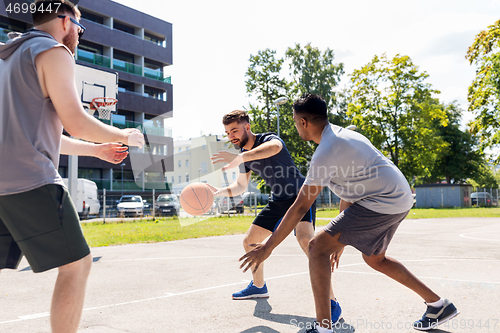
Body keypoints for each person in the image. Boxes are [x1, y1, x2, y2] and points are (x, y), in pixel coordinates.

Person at [239, 94, 459, 332]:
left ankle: (324, 327)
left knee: (316, 247)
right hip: (397, 197)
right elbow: (348, 191)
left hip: (382, 201)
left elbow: (301, 205)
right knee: (375, 258)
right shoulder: (341, 136)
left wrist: (268, 247)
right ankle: (438, 305)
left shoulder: (326, 151)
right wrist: (340, 238)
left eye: (294, 121)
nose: (295, 126)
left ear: (303, 122)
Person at [0, 1, 144, 333]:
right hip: (30, 181)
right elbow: (76, 122)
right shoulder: (53, 51)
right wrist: (124, 133)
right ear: (65, 22)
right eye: (79, 27)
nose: (79, 35)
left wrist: (97, 151)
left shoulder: (7, 58)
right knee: (76, 265)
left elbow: (38, 134)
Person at [210, 110, 342, 322]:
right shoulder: (244, 153)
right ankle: (259, 287)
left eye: (234, 130)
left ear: (247, 127)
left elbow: (275, 147)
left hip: (301, 194)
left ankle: (331, 302)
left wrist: (242, 156)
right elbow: (241, 186)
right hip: (279, 199)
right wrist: (220, 191)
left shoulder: (268, 139)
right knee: (250, 241)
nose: (231, 136)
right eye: (227, 132)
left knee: (307, 243)